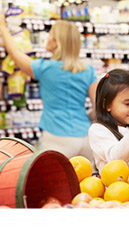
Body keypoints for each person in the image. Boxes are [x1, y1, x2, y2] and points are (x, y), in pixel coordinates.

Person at [0, 15, 98, 168]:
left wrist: (3, 28)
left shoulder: (45, 69)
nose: (47, 37)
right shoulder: (88, 71)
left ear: (57, 42)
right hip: (85, 138)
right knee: (86, 186)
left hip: (57, 137)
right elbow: (99, 107)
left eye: (50, 34)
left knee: (55, 185)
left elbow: (16, 54)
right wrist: (86, 117)